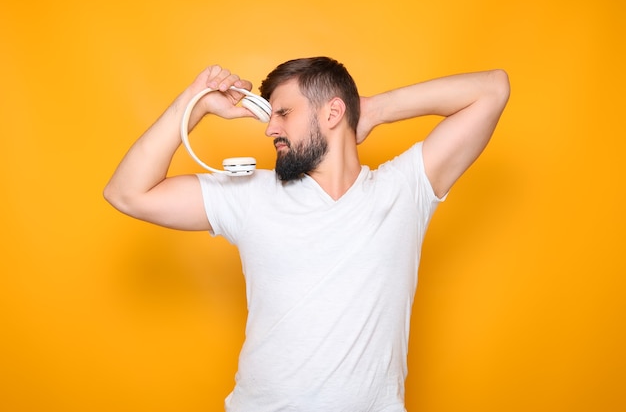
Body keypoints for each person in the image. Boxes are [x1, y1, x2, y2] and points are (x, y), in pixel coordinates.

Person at [104, 57, 510, 411]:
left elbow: (493, 89)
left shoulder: (403, 189)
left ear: (333, 113)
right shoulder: (249, 195)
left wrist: (372, 109)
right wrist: (192, 103)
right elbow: (127, 193)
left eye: (282, 113)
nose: (269, 130)